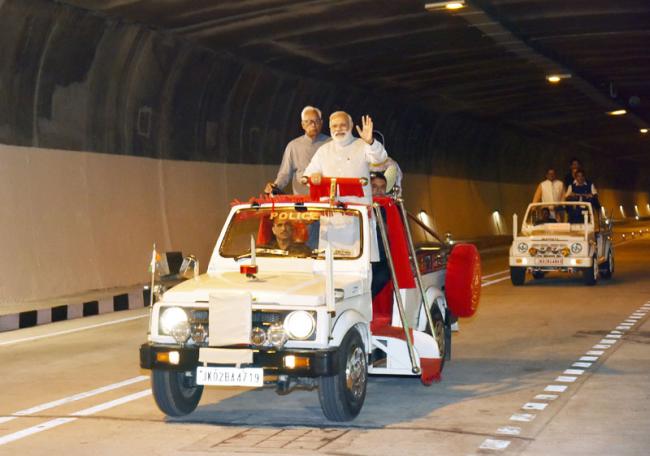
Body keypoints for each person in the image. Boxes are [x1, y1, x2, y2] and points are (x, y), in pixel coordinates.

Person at [303, 111, 388, 204]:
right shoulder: (323, 150)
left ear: (351, 126)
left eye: (343, 125)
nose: (338, 129)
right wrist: (315, 176)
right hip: (330, 208)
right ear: (330, 128)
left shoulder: (363, 145)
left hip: (358, 208)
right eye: (334, 126)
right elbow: (307, 177)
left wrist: (370, 142)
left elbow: (380, 158)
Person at [264, 106, 330, 195]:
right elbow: (285, 174)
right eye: (309, 122)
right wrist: (275, 186)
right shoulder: (293, 146)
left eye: (316, 121)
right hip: (301, 198)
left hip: (326, 197)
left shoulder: (331, 144)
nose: (313, 125)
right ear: (303, 125)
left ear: (321, 123)